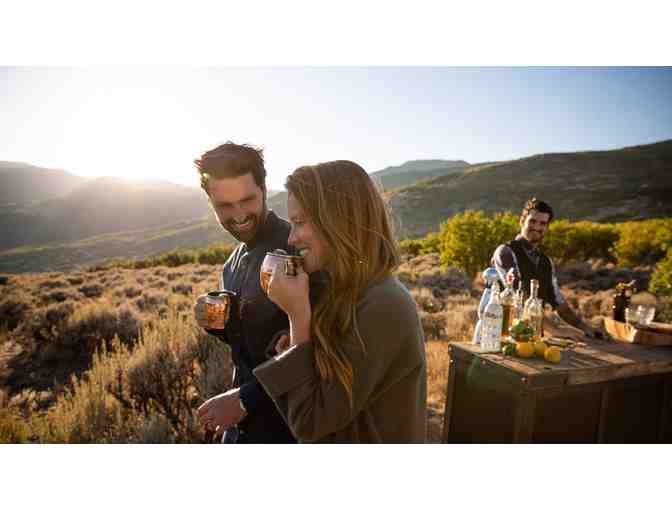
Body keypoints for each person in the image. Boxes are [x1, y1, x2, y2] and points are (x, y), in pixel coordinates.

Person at [252, 160, 427, 443]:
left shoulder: (385, 305)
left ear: (338, 221)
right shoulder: (343, 292)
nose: (291, 238)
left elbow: (311, 422)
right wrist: (296, 342)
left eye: (299, 222)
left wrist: (298, 317)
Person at [193, 141, 296, 443]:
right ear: (211, 202)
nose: (238, 215)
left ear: (263, 190)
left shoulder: (297, 248)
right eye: (225, 206)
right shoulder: (232, 263)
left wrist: (243, 400)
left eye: (247, 200)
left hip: (290, 430)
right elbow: (253, 342)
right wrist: (220, 324)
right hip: (243, 431)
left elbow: (317, 349)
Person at [491, 198, 600, 339]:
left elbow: (559, 303)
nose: (537, 227)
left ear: (547, 227)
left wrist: (584, 327)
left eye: (542, 223)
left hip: (533, 338)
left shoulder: (546, 262)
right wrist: (556, 330)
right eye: (532, 221)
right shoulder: (506, 251)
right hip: (502, 336)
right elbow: (517, 296)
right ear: (521, 221)